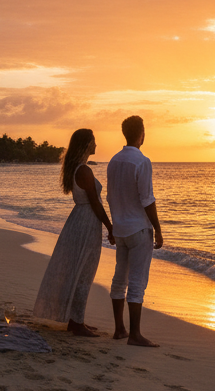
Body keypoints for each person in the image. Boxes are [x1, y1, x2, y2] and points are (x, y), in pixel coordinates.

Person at [32, 128, 114, 337]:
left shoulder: (79, 168)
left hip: (80, 220)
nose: (96, 144)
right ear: (87, 144)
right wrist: (110, 226)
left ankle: (77, 320)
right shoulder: (84, 171)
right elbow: (95, 202)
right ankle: (76, 323)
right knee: (84, 272)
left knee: (81, 270)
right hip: (86, 222)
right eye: (94, 141)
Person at [106, 115, 163, 346]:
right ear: (142, 133)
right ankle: (135, 334)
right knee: (137, 281)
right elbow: (147, 199)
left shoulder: (114, 161)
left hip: (120, 229)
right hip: (138, 229)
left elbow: (111, 197)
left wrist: (113, 225)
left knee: (120, 278)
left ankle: (120, 329)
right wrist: (158, 229)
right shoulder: (141, 161)